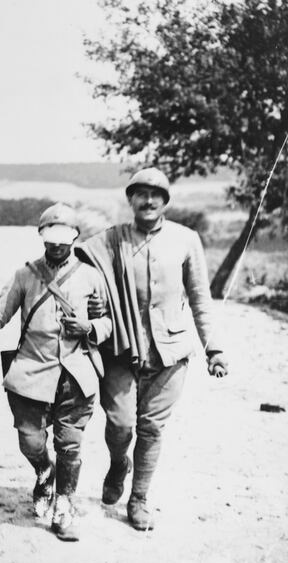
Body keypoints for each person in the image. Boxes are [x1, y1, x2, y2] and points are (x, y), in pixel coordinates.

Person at [0, 203, 112, 541]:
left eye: (63, 238)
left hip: (76, 374)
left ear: (74, 238)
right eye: (49, 238)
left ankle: (64, 504)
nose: (56, 245)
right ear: (41, 238)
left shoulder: (91, 277)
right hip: (31, 371)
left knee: (70, 444)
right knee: (31, 441)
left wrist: (91, 327)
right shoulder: (25, 276)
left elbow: (109, 322)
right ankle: (43, 471)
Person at [77, 167, 229, 532]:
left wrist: (215, 349)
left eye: (156, 195)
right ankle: (118, 465)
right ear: (130, 199)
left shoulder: (185, 239)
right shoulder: (110, 241)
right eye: (141, 194)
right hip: (120, 349)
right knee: (120, 425)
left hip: (170, 354)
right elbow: (79, 273)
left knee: (152, 429)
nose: (148, 201)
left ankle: (139, 499)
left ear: (165, 202)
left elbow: (200, 299)